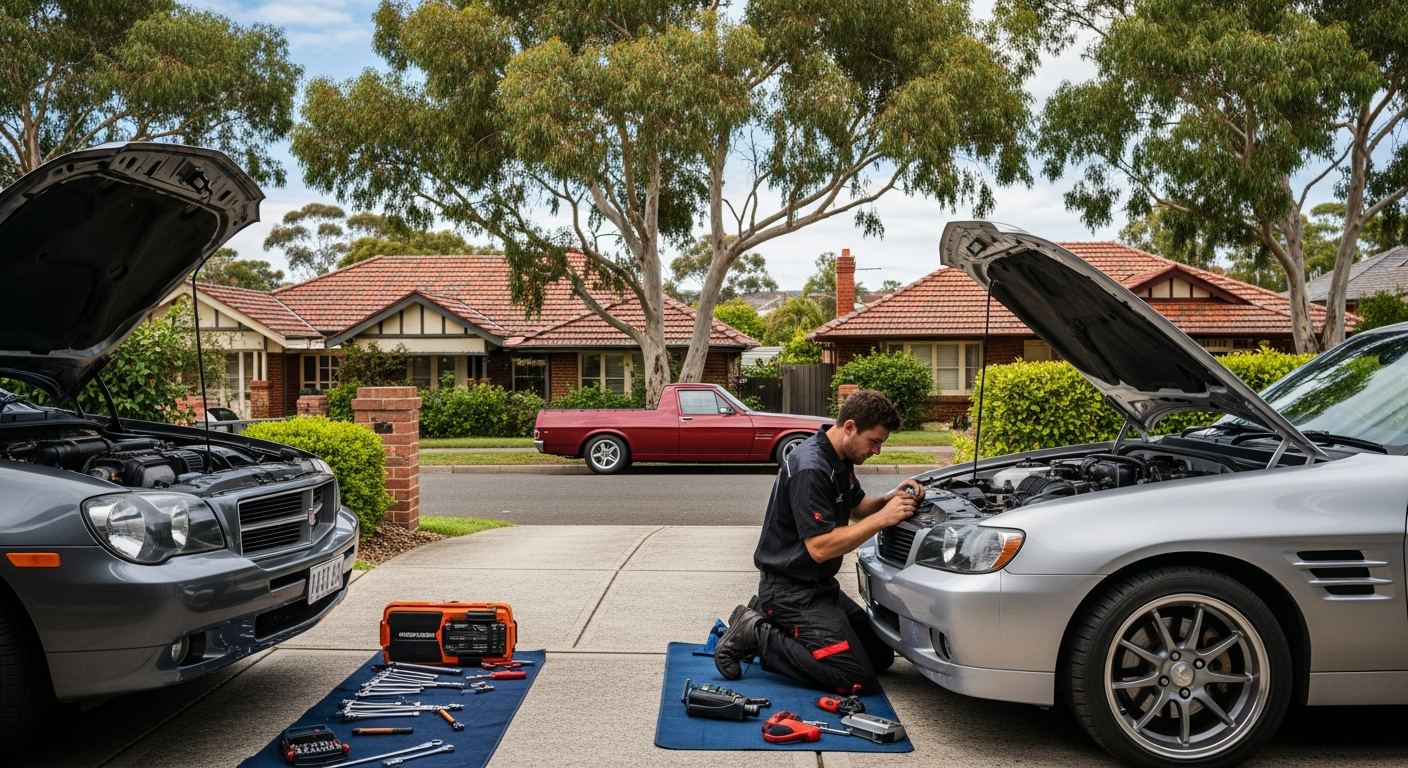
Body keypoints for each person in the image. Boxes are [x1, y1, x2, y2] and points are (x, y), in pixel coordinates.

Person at [714, 389, 923, 695]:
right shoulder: (812, 466)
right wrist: (883, 520)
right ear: (850, 427)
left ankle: (769, 618)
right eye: (874, 441)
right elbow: (820, 547)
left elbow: (858, 507)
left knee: (880, 658)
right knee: (854, 677)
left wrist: (894, 499)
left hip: (820, 588)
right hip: (790, 592)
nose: (877, 451)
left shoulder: (838, 456)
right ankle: (757, 632)